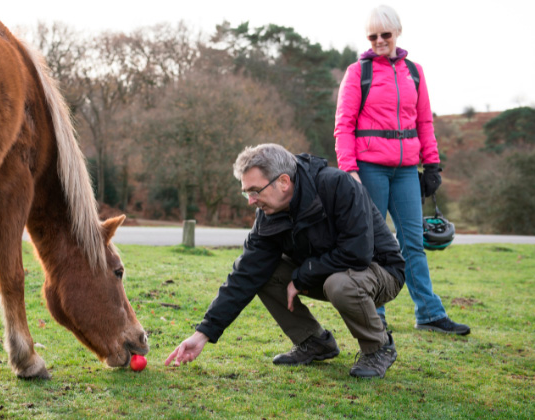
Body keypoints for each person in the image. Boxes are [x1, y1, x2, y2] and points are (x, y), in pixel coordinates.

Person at [165, 144, 406, 378]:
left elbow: (357, 252)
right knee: (264, 272)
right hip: (328, 274)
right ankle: (313, 342)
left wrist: (302, 276)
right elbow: (246, 274)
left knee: (340, 284)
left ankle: (378, 348)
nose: (251, 200)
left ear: (283, 181)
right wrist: (203, 333)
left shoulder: (338, 185)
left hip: (380, 270)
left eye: (255, 191)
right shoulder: (268, 214)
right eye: (246, 192)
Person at [334, 5, 470, 335]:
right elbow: (343, 125)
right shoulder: (358, 72)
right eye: (373, 36)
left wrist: (432, 164)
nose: (379, 40)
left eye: (385, 34)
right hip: (369, 169)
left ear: (397, 32)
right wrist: (349, 169)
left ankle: (429, 313)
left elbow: (424, 121)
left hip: (407, 170)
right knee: (371, 245)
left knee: (413, 243)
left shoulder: (415, 72)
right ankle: (374, 315)